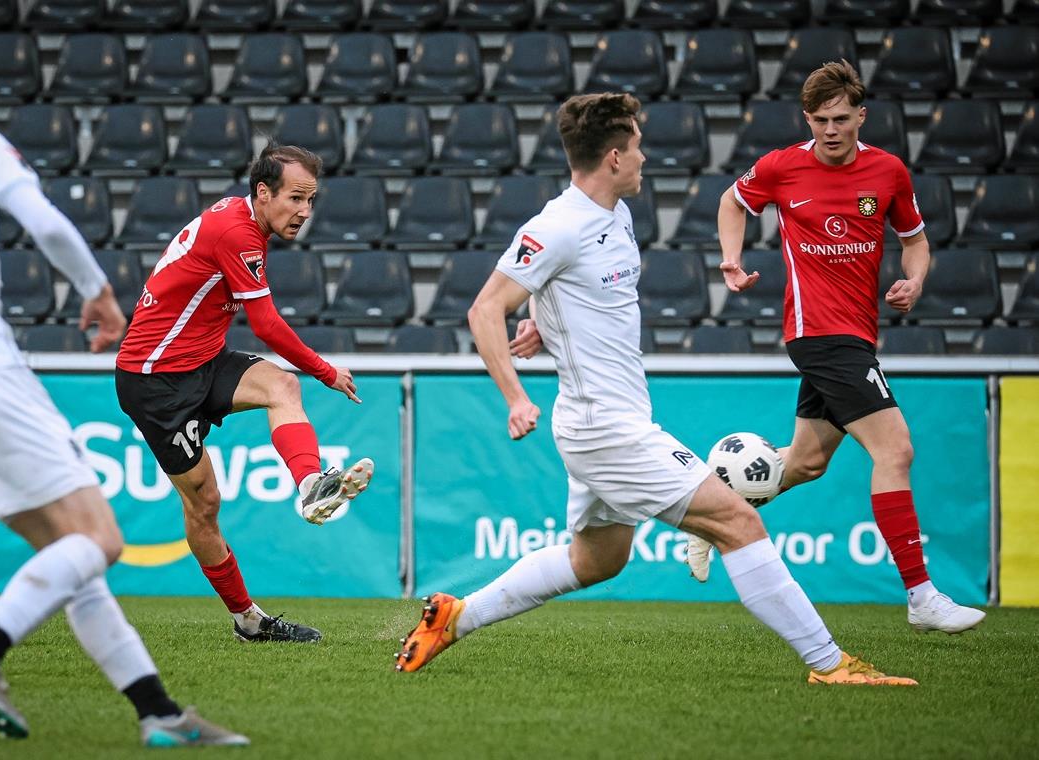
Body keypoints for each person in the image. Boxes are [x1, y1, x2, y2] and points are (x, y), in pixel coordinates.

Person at [392, 92, 916, 686]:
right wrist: (515, 396)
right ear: (614, 157)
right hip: (604, 429)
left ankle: (455, 618)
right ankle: (831, 664)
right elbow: (485, 310)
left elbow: (576, 294)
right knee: (739, 522)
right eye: (638, 147)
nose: (645, 157)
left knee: (598, 560)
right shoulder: (557, 225)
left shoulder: (616, 213)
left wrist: (546, 319)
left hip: (607, 421)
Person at [0, 22, 246, 746]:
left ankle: (158, 713)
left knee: (70, 554)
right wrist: (97, 292)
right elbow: (44, 222)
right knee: (100, 538)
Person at [683, 60, 985, 636]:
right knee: (895, 451)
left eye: (841, 118)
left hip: (857, 332)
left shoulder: (888, 171)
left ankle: (706, 523)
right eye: (820, 119)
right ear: (808, 119)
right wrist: (731, 260)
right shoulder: (781, 168)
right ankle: (921, 595)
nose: (830, 129)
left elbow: (915, 241)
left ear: (860, 116)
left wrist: (914, 281)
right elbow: (731, 202)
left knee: (805, 464)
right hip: (818, 333)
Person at [114, 143, 373, 644]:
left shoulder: (245, 221)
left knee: (281, 385)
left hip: (203, 360)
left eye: (311, 200)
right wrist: (327, 371)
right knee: (204, 505)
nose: (304, 211)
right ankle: (248, 620)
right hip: (155, 380)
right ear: (262, 192)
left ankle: (311, 486)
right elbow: (267, 326)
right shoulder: (238, 231)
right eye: (296, 198)